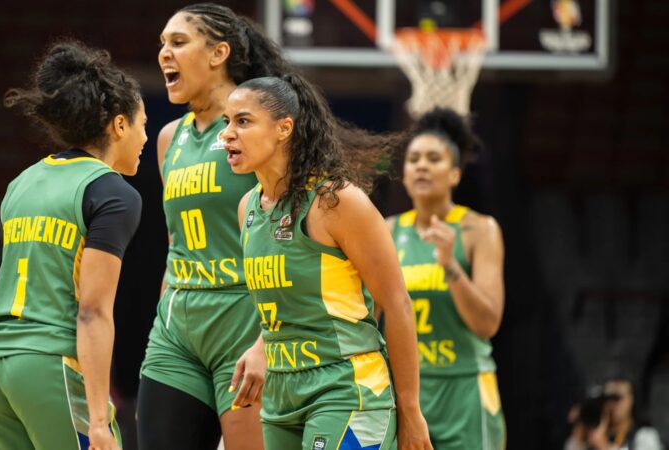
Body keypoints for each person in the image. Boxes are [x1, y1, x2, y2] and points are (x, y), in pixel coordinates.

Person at [139, 4, 405, 449]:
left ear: (218, 53)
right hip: (178, 324)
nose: (165, 52)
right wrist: (164, 312)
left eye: (178, 42)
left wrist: (267, 341)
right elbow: (175, 243)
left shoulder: (262, 131)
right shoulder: (171, 138)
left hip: (246, 317)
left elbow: (309, 227)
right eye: (163, 43)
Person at [223, 74, 432, 450]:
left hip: (345, 388)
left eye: (243, 121)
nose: (227, 134)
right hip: (282, 395)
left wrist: (411, 410)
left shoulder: (336, 201)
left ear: (284, 128)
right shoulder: (247, 209)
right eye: (226, 122)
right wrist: (260, 346)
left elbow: (397, 303)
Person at [0, 40, 146, 450]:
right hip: (52, 364)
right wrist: (101, 421)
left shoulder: (22, 182)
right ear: (119, 125)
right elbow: (92, 311)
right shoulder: (113, 193)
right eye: (142, 123)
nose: (144, 136)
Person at [384, 107, 506, 449]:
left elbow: (488, 323)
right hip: (409, 388)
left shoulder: (479, 230)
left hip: (464, 390)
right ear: (404, 174)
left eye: (434, 159)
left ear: (454, 174)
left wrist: (450, 264)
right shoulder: (388, 231)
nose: (422, 166)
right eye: (414, 159)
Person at [565, 378, 664, 450]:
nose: (613, 404)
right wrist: (579, 438)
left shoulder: (645, 437)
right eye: (608, 398)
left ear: (631, 400)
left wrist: (603, 447)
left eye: (617, 398)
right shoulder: (588, 436)